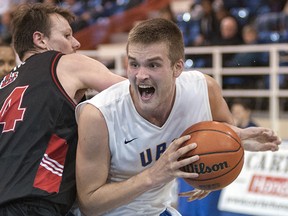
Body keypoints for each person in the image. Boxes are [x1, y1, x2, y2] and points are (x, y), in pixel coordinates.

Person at [75, 18, 281, 216]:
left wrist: (238, 140)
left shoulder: (203, 90)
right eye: (134, 64)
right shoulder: (99, 115)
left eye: (153, 65)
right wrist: (153, 176)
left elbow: (220, 131)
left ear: (177, 68)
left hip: (158, 210)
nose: (140, 75)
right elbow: (89, 204)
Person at [0, 3, 125, 216]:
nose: (76, 43)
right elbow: (137, 93)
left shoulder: (5, 84)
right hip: (35, 202)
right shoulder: (64, 63)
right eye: (67, 35)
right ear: (40, 40)